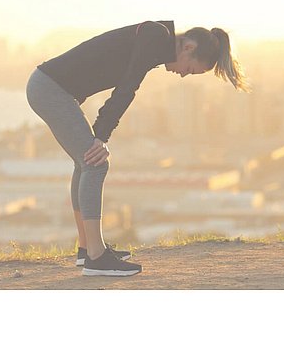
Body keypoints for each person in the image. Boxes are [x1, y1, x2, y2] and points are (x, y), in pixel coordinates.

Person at [25, 20, 251, 276]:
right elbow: (127, 86)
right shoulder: (155, 36)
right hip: (50, 89)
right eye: (190, 69)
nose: (184, 74)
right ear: (188, 47)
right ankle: (96, 258)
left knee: (85, 161)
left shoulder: (155, 39)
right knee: (95, 162)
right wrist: (101, 136)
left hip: (50, 87)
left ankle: (87, 248)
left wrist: (99, 135)